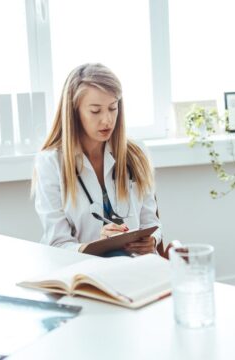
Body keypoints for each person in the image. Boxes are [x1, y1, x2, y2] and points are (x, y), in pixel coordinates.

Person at [32, 63, 162, 256]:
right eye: (95, 111)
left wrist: (151, 240)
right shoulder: (51, 162)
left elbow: (151, 222)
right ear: (74, 112)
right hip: (84, 271)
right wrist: (97, 246)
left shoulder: (136, 153)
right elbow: (57, 243)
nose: (107, 120)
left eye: (112, 108)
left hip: (138, 267)